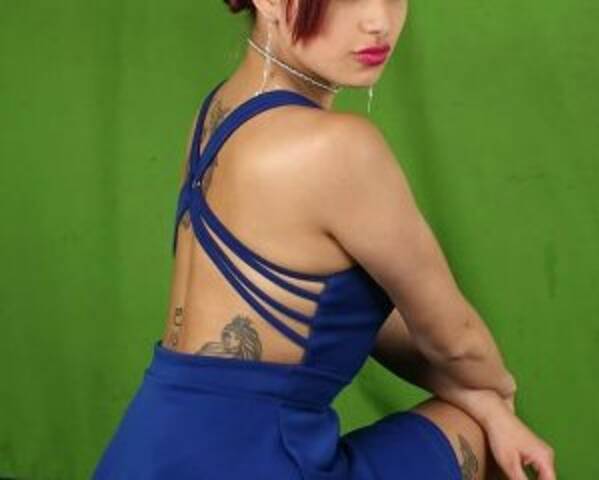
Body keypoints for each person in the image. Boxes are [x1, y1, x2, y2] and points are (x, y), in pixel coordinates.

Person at [92, 1, 557, 479]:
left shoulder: (216, 115)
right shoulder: (338, 147)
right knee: (491, 439)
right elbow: (457, 343)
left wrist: (474, 395)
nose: (378, 21)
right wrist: (499, 396)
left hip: (141, 455)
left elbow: (335, 313)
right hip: (254, 462)